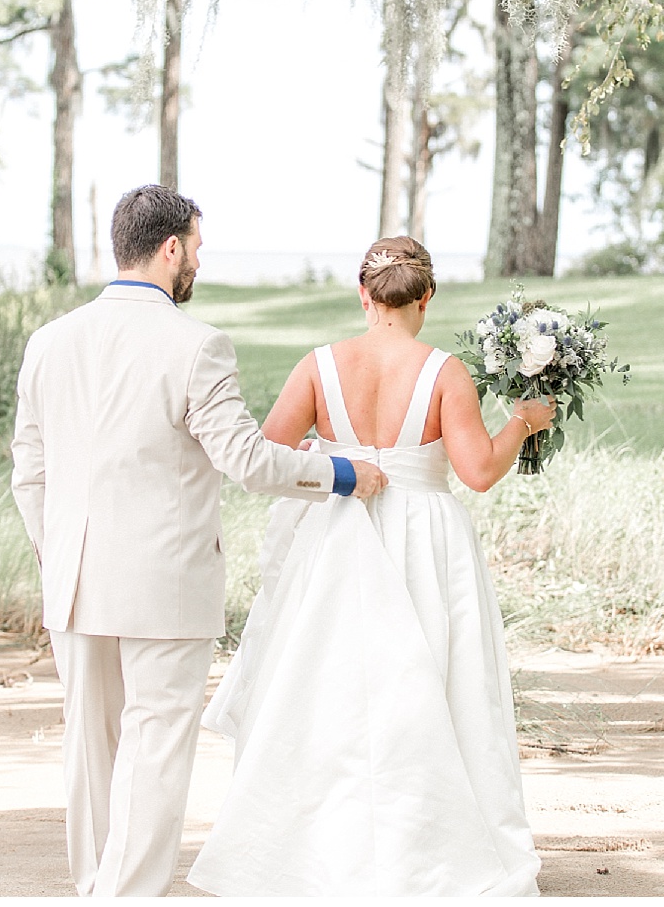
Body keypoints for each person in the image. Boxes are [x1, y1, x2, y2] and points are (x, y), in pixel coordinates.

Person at [9, 185, 388, 898]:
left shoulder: (49, 342)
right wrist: (341, 471)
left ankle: (96, 888)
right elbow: (246, 460)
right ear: (171, 247)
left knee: (90, 751)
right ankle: (127, 895)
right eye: (197, 249)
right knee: (154, 750)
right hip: (164, 584)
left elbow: (28, 474)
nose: (198, 265)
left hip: (71, 581)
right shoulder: (196, 343)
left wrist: (55, 549)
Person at [189, 235, 555, 897]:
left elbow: (266, 460)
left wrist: (318, 455)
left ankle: (321, 849)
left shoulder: (317, 366)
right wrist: (524, 422)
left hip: (336, 535)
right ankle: (432, 845)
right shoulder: (444, 372)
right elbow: (476, 472)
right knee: (433, 692)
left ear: (363, 295)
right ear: (426, 297)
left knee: (329, 689)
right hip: (426, 544)